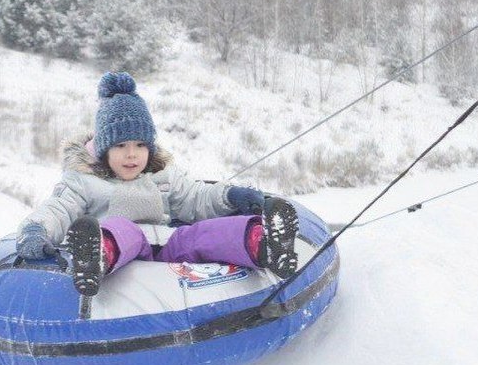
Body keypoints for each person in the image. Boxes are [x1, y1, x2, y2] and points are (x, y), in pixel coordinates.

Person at [15, 72, 299, 296]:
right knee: (124, 229)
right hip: (127, 251)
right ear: (103, 149)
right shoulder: (84, 181)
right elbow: (58, 208)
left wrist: (230, 196)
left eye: (140, 145)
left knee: (199, 235)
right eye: (120, 145)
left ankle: (263, 241)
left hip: (170, 246)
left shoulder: (163, 175)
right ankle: (96, 254)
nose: (132, 154)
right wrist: (36, 230)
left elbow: (196, 198)